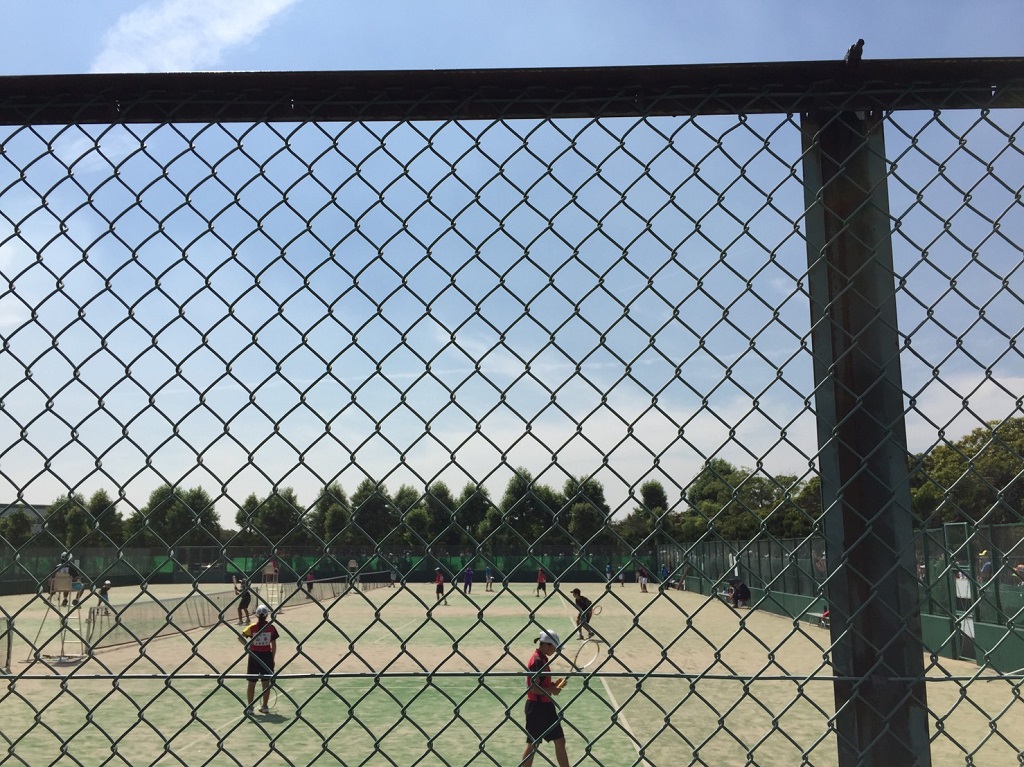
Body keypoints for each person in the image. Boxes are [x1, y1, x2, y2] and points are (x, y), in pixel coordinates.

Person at [521, 629, 570, 767]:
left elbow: (541, 684)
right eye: (554, 647)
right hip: (536, 707)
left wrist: (552, 685)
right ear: (546, 645)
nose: (555, 650)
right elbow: (533, 687)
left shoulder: (542, 659)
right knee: (533, 744)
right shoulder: (537, 661)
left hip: (546, 706)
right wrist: (552, 690)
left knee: (560, 740)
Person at [238, 604, 278, 715]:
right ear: (267, 615)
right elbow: (274, 645)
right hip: (267, 656)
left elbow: (240, 637)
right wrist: (272, 658)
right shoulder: (271, 628)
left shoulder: (252, 627)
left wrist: (248, 645)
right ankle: (264, 706)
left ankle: (250, 707)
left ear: (256, 615)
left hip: (254, 656)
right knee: (266, 683)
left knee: (251, 683)